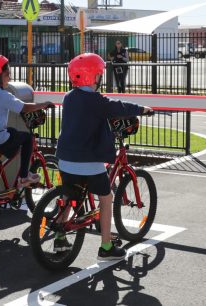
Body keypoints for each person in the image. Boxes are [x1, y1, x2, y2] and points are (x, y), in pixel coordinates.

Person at [54, 53, 153, 261]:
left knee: (69, 195)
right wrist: (142, 109)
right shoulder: (96, 100)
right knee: (106, 198)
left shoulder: (68, 97)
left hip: (64, 159)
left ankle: (60, 236)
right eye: (99, 74)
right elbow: (119, 107)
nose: (100, 78)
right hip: (88, 163)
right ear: (93, 76)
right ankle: (106, 246)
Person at [0, 54, 54, 188]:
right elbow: (24, 108)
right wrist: (43, 104)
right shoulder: (3, 95)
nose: (9, 78)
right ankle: (23, 176)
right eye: (7, 74)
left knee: (11, 131)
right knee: (27, 138)